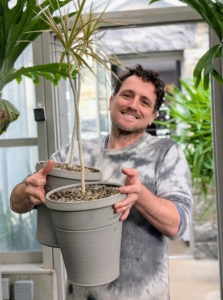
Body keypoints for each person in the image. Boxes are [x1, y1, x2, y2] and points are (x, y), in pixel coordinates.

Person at [10, 64, 193, 300]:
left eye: (144, 102)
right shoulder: (75, 153)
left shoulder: (166, 153)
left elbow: (177, 225)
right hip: (82, 295)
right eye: (127, 95)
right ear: (111, 101)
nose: (133, 105)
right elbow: (16, 202)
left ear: (152, 117)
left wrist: (141, 196)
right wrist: (27, 191)